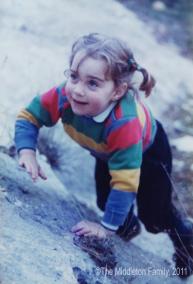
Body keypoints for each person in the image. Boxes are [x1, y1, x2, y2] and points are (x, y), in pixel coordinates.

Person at [14, 33, 193, 278]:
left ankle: (187, 241)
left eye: (93, 83)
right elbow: (28, 117)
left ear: (118, 91)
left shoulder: (123, 123)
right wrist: (27, 151)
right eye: (74, 76)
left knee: (155, 218)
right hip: (108, 154)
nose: (77, 90)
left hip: (149, 154)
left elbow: (125, 182)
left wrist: (105, 229)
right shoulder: (64, 96)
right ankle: (127, 227)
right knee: (104, 202)